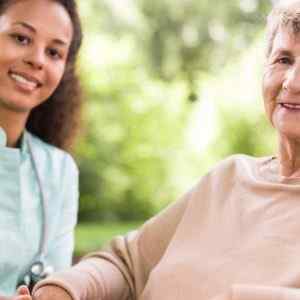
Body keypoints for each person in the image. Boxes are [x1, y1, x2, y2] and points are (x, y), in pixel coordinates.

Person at [31, 0, 300, 300]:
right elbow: (126, 264)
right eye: (284, 59)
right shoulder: (230, 177)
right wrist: (61, 291)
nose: (293, 81)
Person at [0, 0, 82, 296]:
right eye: (21, 38)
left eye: (54, 52)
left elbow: (57, 283)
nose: (38, 60)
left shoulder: (60, 170)